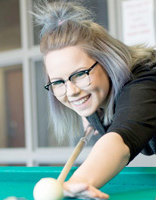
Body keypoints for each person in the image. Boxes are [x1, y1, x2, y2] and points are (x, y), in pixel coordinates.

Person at [33, 1, 156, 199]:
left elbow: (122, 137)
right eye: (58, 82)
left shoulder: (143, 81)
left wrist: (76, 182)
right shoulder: (96, 97)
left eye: (80, 73)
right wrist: (90, 113)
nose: (71, 91)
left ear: (107, 62)